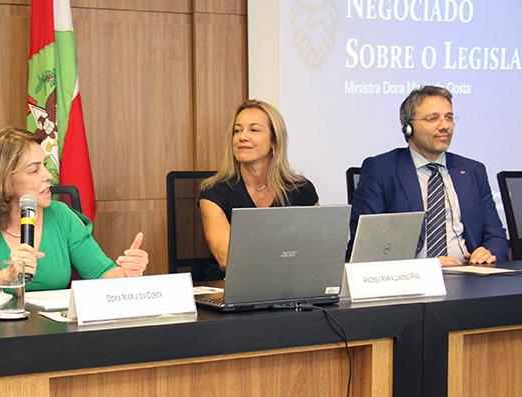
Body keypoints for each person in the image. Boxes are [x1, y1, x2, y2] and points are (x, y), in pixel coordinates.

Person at [0, 127, 148, 298]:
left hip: (56, 335)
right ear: (3, 180)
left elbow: (101, 273)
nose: (48, 175)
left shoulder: (61, 216)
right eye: (34, 170)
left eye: (45, 166)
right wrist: (6, 276)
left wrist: (128, 274)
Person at [349, 85, 507, 266]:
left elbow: (496, 236)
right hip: (410, 282)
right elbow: (367, 247)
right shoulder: (381, 170)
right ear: (408, 127)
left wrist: (488, 252)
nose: (445, 126)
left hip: (470, 277)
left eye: (449, 117)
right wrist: (427, 267)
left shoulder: (473, 171)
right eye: (433, 119)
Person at [198, 99, 319, 278]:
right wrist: (288, 253)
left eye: (254, 130)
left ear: (275, 141)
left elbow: (318, 249)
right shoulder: (213, 193)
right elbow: (227, 258)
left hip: (288, 287)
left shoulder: (301, 189)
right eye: (237, 130)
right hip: (229, 288)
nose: (242, 137)